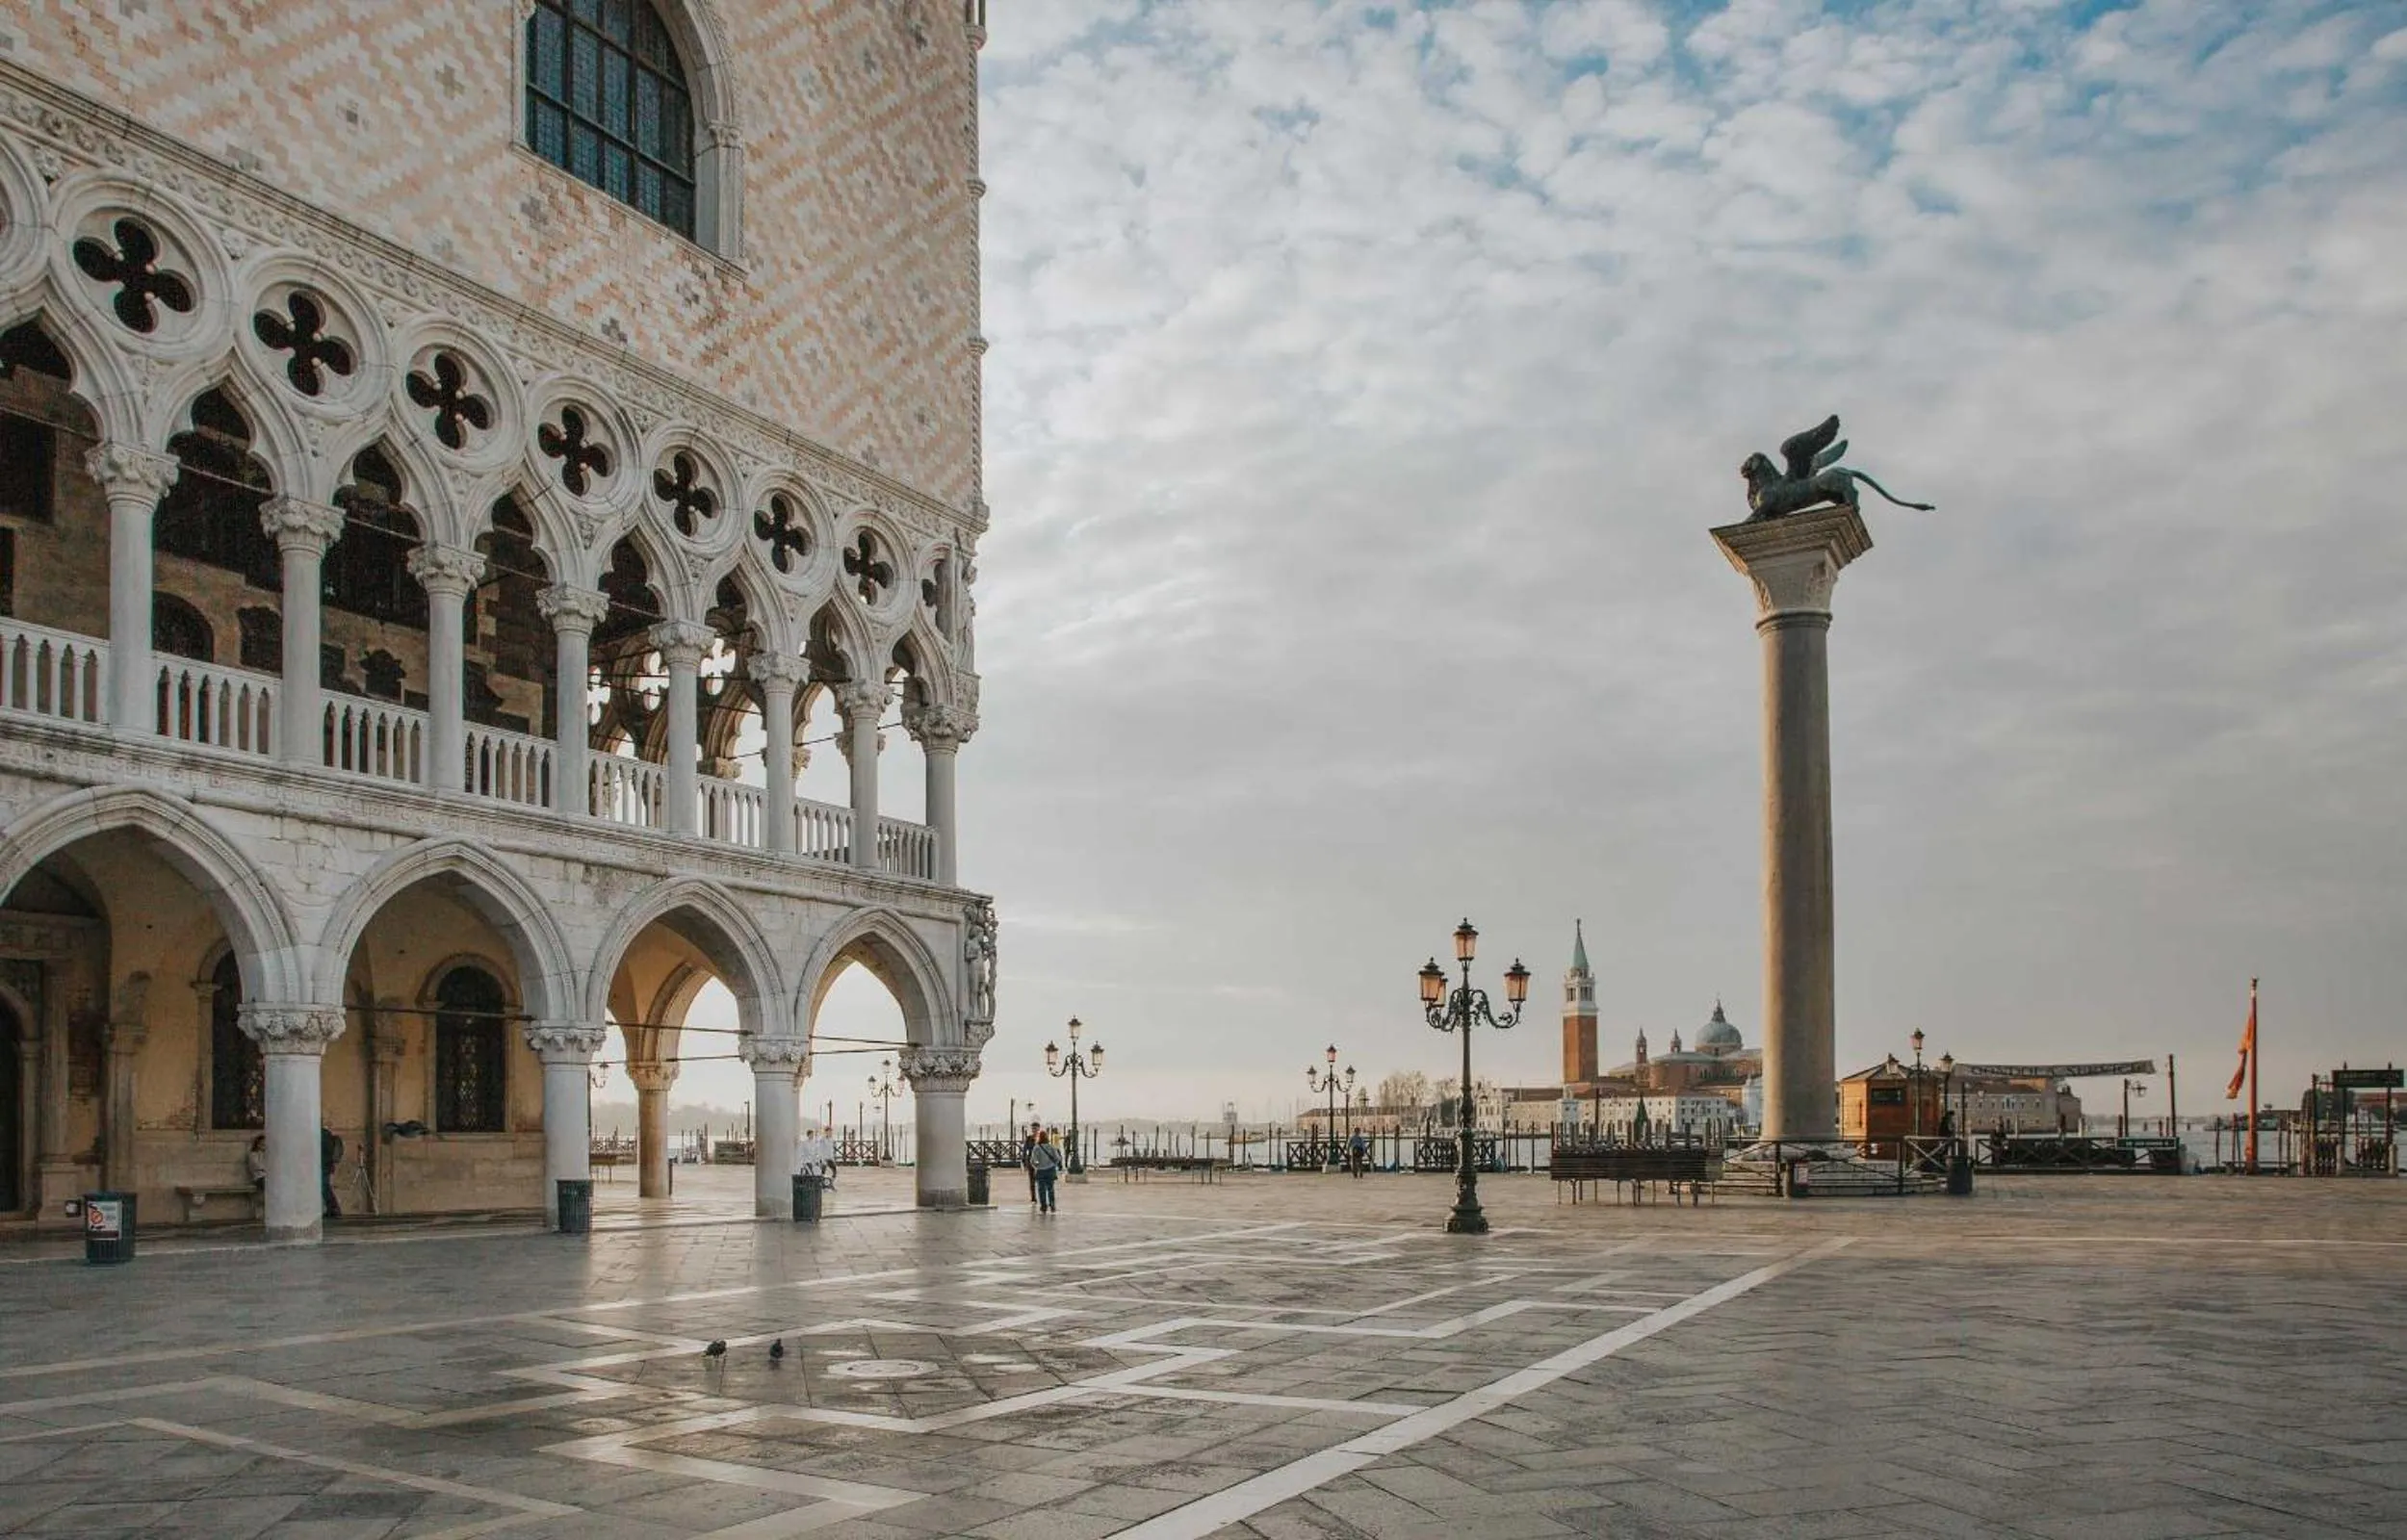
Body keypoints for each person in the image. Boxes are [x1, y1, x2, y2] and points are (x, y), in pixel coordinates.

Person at [1028, 1129, 1062, 1214]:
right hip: (1050, 1170)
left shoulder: (1036, 1148)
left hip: (1040, 1171)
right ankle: (1052, 1205)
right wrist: (1053, 1164)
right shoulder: (1051, 1146)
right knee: (1050, 1188)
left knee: (1041, 1189)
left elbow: (1033, 1160)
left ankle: (1043, 1206)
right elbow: (1058, 1158)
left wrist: (1037, 1166)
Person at [319, 1123, 343, 1219]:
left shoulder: (322, 1135)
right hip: (326, 1165)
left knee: (324, 1187)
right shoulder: (325, 1134)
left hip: (323, 1166)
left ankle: (333, 1208)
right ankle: (333, 1208)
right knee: (324, 1187)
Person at [1021, 1120, 1041, 1205]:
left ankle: (1042, 1196)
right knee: (1032, 1181)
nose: (1034, 1130)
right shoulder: (1029, 1138)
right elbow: (1025, 1150)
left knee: (1041, 1181)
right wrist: (1024, 1163)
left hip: (1041, 1162)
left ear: (1039, 1129)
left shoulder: (1042, 1138)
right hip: (1031, 1161)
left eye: (1035, 1128)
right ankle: (1033, 1198)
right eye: (1033, 1129)